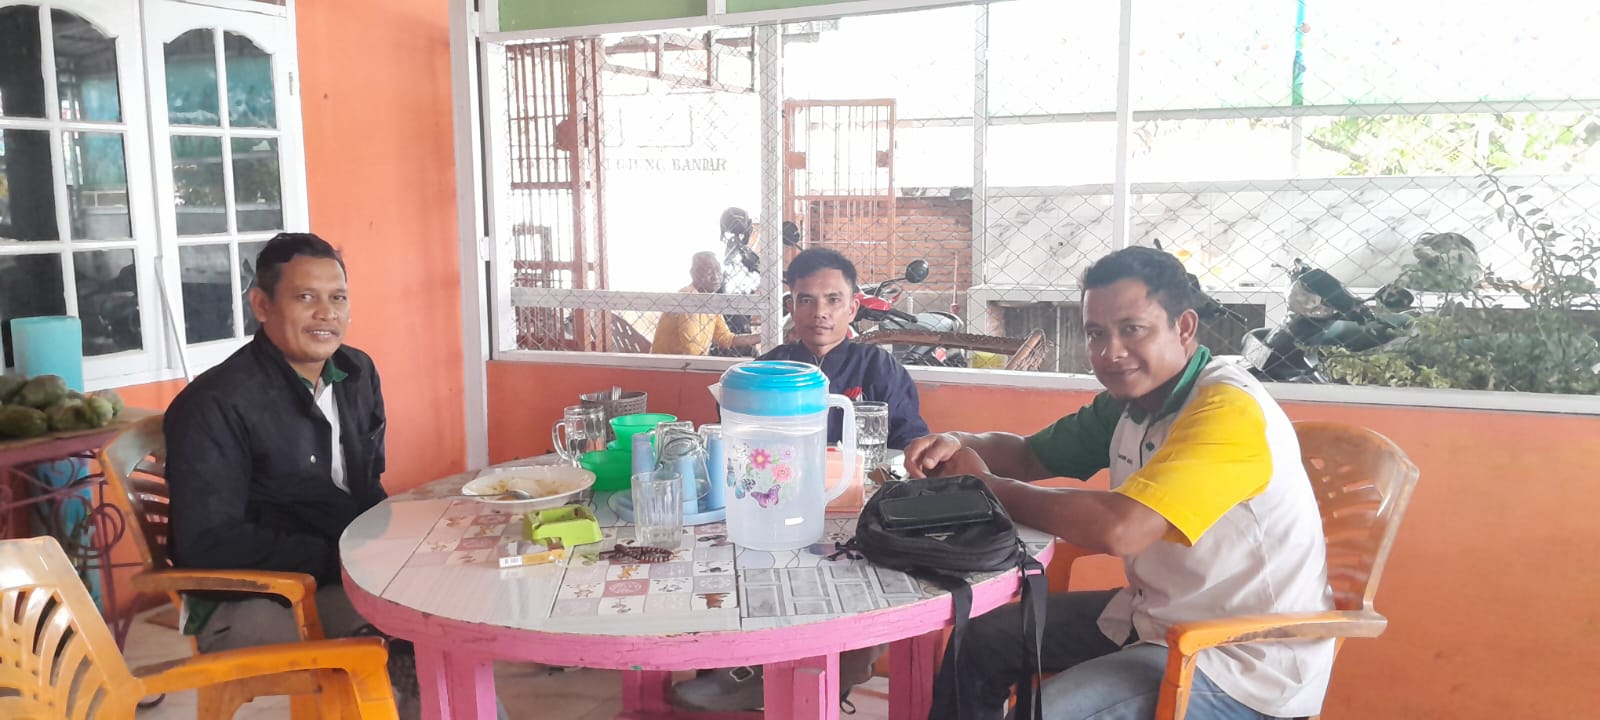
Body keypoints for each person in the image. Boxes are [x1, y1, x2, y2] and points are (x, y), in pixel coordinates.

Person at [903, 246, 1335, 720]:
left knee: (1041, 713)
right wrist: (959, 441)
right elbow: (1029, 455)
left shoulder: (1227, 411)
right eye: (1096, 333)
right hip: (1156, 617)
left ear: (1184, 327)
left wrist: (984, 487)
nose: (1110, 353)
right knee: (982, 641)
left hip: (1241, 659)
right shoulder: (1133, 402)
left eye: (1132, 329)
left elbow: (1121, 529)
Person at [164, 233, 500, 719]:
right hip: (256, 600)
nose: (326, 313)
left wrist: (403, 552)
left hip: (342, 576)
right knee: (412, 642)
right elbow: (208, 544)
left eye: (338, 298)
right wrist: (345, 559)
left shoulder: (356, 373)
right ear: (261, 305)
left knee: (450, 618)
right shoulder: (214, 405)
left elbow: (365, 490)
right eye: (306, 297)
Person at [671, 247, 931, 713]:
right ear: (791, 306)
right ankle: (741, 668)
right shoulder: (766, 370)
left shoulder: (879, 369)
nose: (819, 313)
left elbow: (909, 444)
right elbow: (736, 443)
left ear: (853, 307)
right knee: (743, 565)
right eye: (806, 300)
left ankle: (838, 670)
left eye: (833, 300)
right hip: (777, 506)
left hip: (852, 512)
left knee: (858, 584)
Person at [653, 251, 762, 356]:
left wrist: (762, 336)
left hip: (688, 363)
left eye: (718, 271)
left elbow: (725, 338)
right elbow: (691, 349)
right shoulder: (689, 297)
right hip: (669, 364)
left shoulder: (710, 300)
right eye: (709, 271)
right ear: (693, 274)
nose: (716, 276)